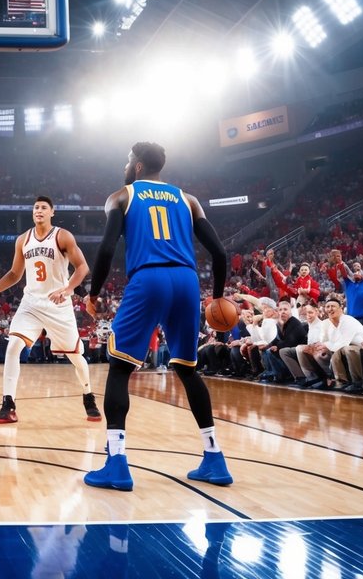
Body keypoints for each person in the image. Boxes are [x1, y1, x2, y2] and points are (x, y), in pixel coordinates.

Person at [82, 142, 232, 491]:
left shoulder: (121, 196)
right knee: (187, 369)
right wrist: (219, 295)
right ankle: (215, 458)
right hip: (187, 280)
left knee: (120, 367)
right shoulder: (188, 199)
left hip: (149, 278)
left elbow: (106, 249)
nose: (125, 164)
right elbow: (220, 252)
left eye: (126, 160)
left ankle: (116, 463)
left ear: (136, 167)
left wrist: (94, 292)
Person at [0, 196, 96, 424]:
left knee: (76, 357)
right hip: (31, 303)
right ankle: (8, 404)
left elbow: (82, 267)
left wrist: (68, 289)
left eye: (43, 208)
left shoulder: (62, 236)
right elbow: (13, 274)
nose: (39, 210)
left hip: (58, 305)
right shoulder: (23, 240)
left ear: (52, 212)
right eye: (36, 207)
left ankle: (88, 395)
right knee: (13, 347)